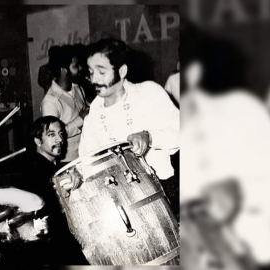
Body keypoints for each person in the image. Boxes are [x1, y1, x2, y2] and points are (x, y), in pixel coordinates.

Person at [180, 33, 270, 267]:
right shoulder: (184, 118)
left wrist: (235, 188)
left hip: (248, 237)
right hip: (202, 244)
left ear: (195, 73)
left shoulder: (242, 107)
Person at [75, 38, 180, 216]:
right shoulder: (93, 114)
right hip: (119, 202)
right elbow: (86, 161)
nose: (94, 79)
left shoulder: (149, 92)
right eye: (91, 72)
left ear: (122, 71)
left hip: (162, 193)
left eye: (101, 72)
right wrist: (77, 176)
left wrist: (149, 137)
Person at [0, 116, 87, 265]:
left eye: (61, 134)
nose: (59, 139)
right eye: (51, 135)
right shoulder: (33, 167)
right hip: (40, 244)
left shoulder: (50, 166)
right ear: (38, 141)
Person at [41, 45, 90, 165]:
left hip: (85, 153)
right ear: (64, 69)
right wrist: (80, 119)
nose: (80, 68)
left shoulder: (78, 88)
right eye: (75, 65)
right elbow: (51, 136)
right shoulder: (50, 101)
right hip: (66, 161)